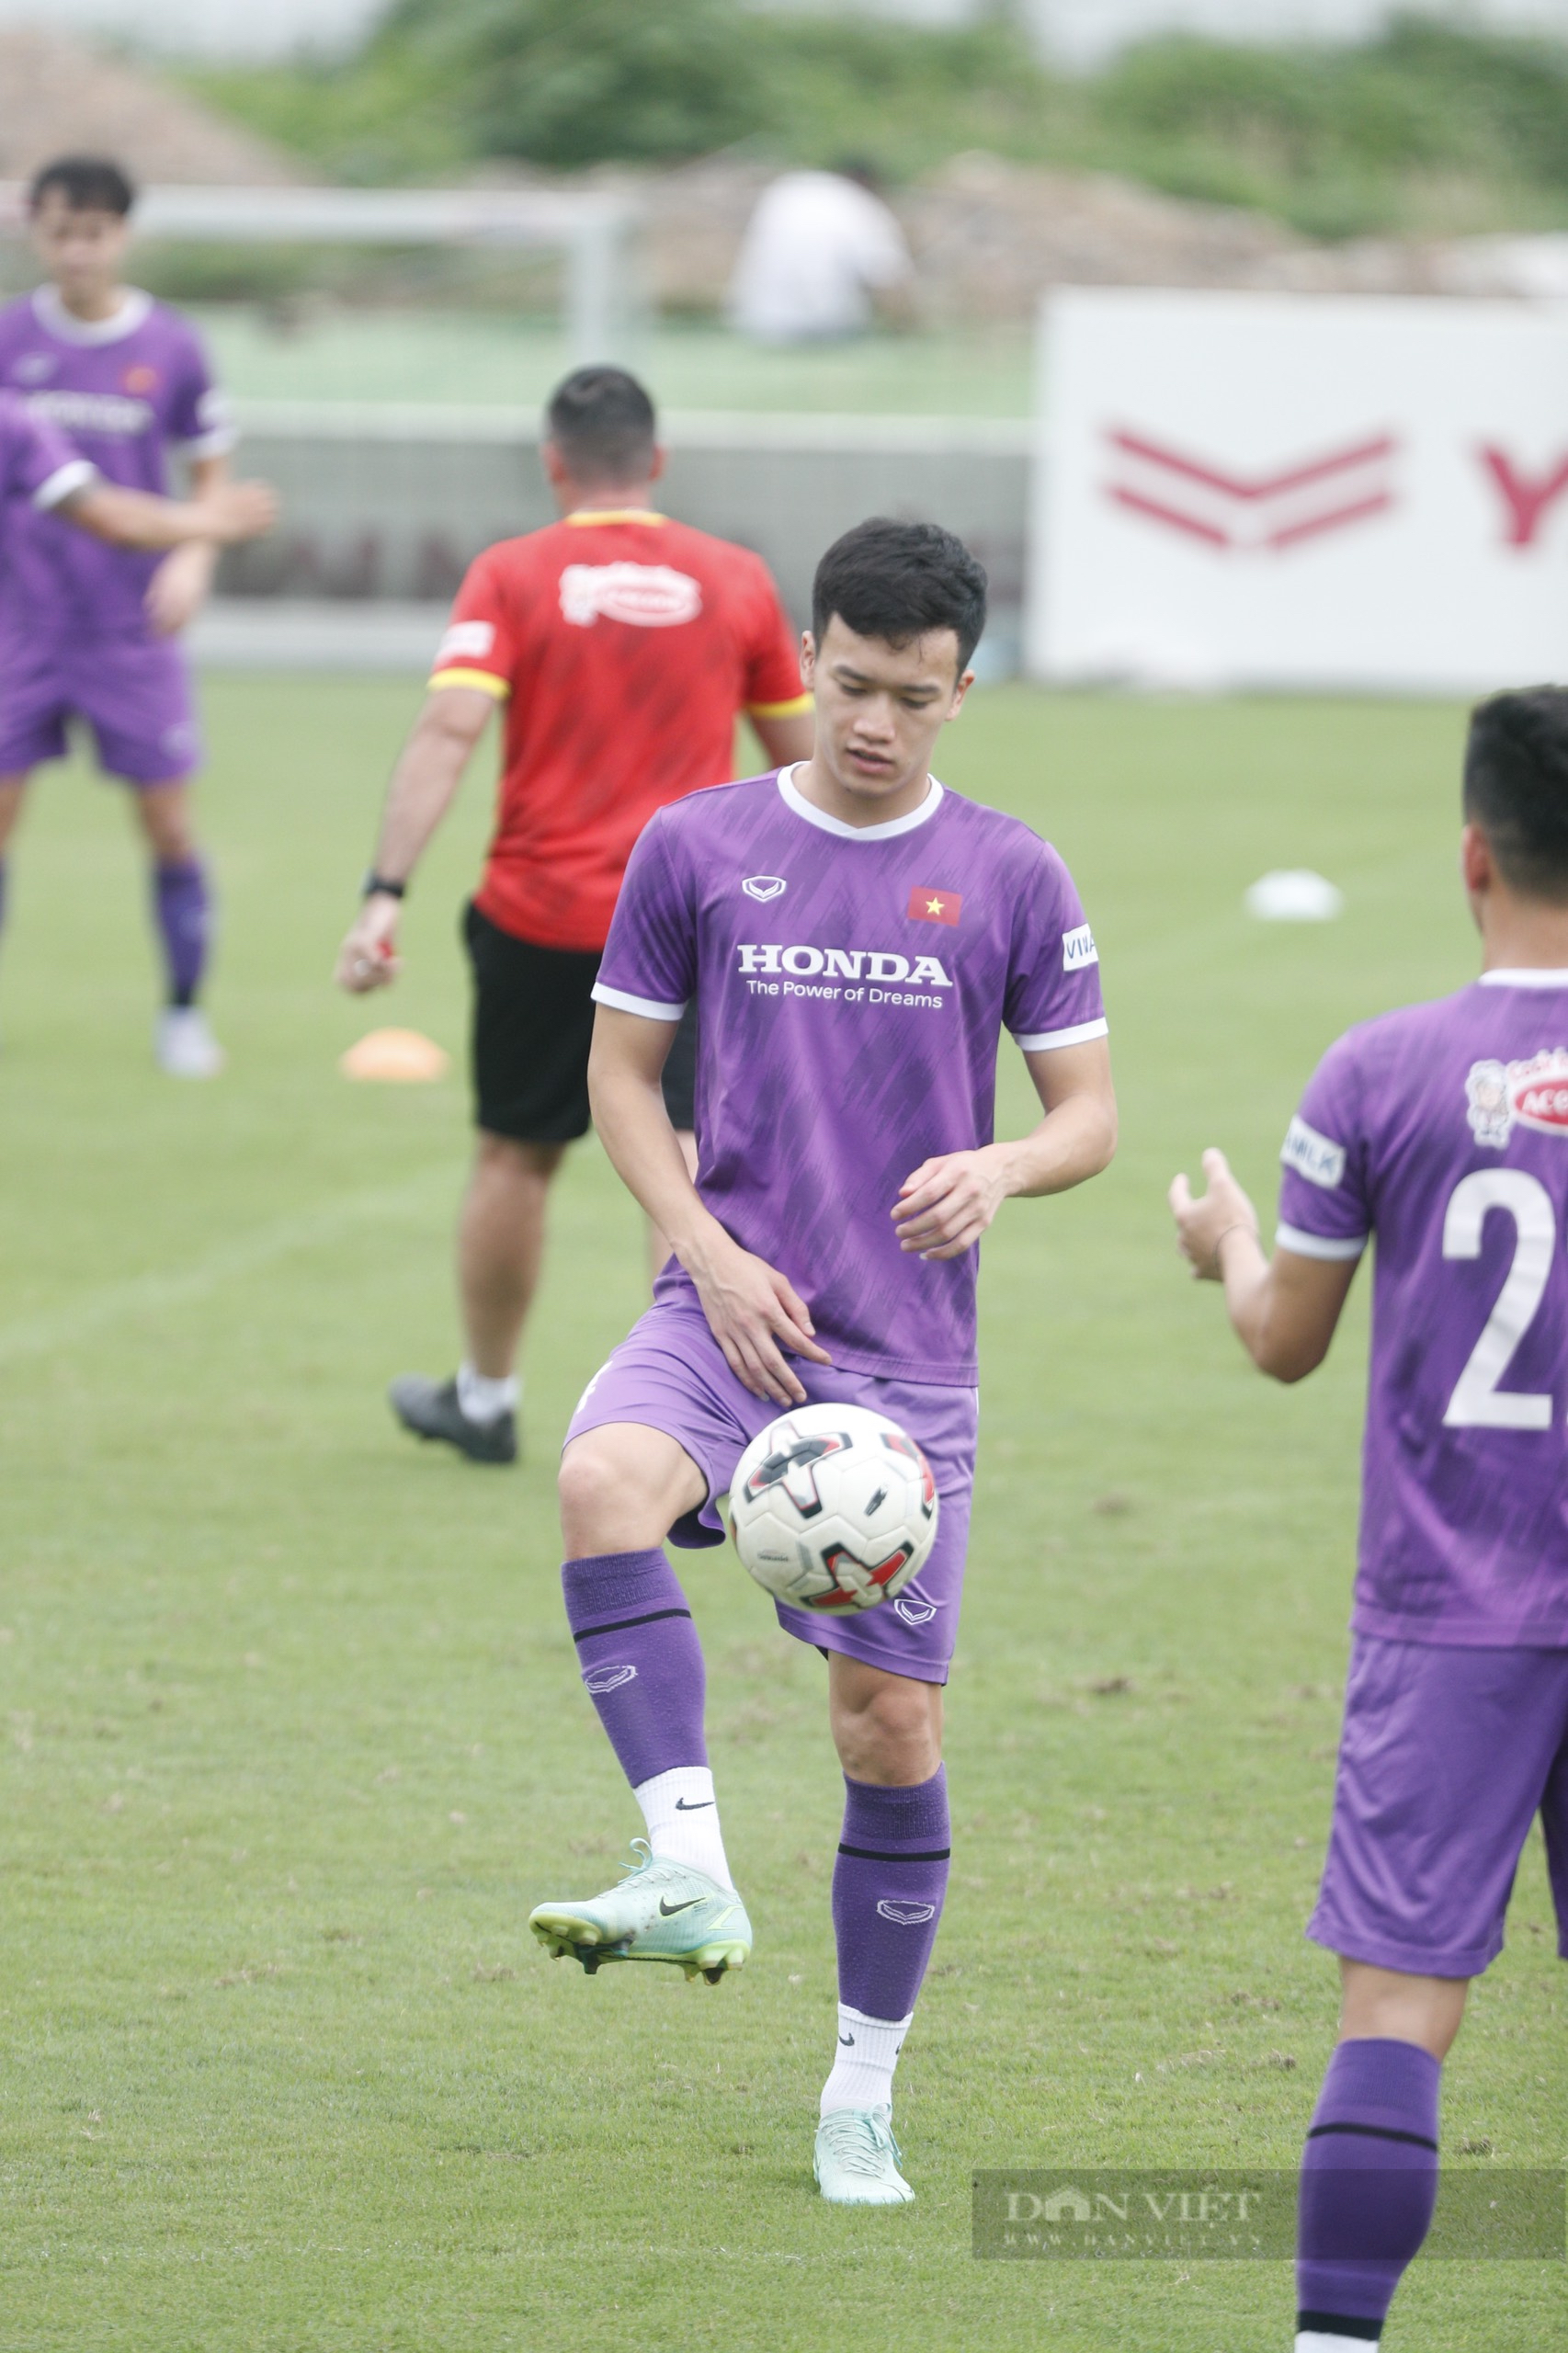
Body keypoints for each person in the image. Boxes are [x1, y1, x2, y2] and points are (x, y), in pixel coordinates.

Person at [528, 518, 1117, 2206]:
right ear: (810, 660)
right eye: (847, 685)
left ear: (961, 692)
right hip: (724, 1313)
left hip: (905, 1369)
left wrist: (1000, 1168)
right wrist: (700, 1249)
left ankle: (861, 2083)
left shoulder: (1014, 874)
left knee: (884, 1734)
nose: (871, 723)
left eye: (910, 698)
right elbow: (624, 1078)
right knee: (598, 1483)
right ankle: (689, 1865)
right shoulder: (700, 844)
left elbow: (1087, 1117)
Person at [1168, 686, 1568, 2353]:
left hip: (1445, 1612)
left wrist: (1225, 1249)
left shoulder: (1377, 1071)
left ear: (1471, 851)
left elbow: (1284, 1345)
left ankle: (1334, 2344)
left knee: (1399, 2008)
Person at [334, 365, 813, 1468]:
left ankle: (488, 1398)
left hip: (540, 914)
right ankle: (700, 1417)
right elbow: (802, 764)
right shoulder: (733, 578)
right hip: (693, 920)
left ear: (552, 463)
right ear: (656, 461)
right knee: (685, 1159)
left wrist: (383, 892)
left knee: (515, 1155)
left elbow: (448, 732)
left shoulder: (510, 575)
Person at [0, 155, 254, 1079]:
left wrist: (192, 557)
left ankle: (183, 1013)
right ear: (37, 229)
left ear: (123, 234)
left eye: (94, 233)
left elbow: (210, 467)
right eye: (61, 232)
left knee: (169, 826)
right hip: (20, 620)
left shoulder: (173, 346)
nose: (77, 251)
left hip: (130, 628)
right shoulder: (8, 339)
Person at [728, 164, 915, 344]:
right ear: (868, 182)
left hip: (760, 324)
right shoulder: (859, 203)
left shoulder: (787, 189)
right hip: (829, 326)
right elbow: (888, 277)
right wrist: (906, 328)